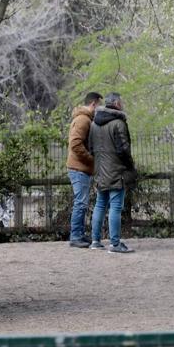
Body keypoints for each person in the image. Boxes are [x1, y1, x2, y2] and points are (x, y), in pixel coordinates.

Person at [87, 92, 137, 253]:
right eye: (120, 102)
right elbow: (124, 149)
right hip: (116, 171)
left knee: (100, 204)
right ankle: (115, 244)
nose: (122, 104)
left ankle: (95, 241)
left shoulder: (94, 124)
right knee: (115, 207)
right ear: (115, 103)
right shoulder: (118, 123)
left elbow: (91, 148)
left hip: (100, 171)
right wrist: (130, 166)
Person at [66, 92, 103, 247]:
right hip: (79, 168)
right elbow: (75, 144)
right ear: (93, 104)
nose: (100, 108)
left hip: (80, 168)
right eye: (99, 105)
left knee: (82, 202)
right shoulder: (83, 119)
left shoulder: (84, 118)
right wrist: (91, 159)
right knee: (80, 203)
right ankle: (75, 237)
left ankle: (79, 234)